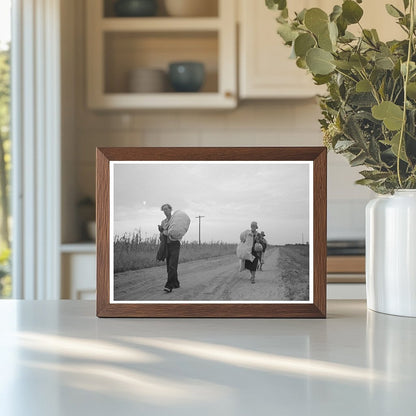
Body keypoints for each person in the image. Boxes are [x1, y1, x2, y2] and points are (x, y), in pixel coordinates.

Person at [159, 203, 181, 293]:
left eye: (166, 209)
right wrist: (161, 232)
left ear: (170, 209)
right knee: (169, 266)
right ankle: (176, 283)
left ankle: (169, 285)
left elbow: (177, 231)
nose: (165, 211)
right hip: (167, 245)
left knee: (172, 265)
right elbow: (162, 235)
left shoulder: (175, 220)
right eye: (163, 209)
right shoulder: (163, 222)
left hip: (175, 244)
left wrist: (165, 232)